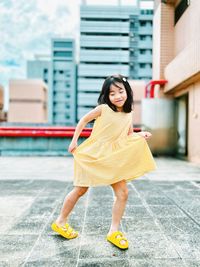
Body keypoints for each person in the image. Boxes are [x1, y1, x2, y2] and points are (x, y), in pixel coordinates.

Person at [51, 74, 156, 249]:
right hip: (94, 155)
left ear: (127, 92)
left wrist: (140, 134)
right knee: (80, 190)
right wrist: (74, 141)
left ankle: (113, 231)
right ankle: (61, 221)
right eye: (112, 93)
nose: (117, 96)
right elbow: (84, 120)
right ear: (106, 96)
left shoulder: (129, 112)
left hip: (112, 158)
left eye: (120, 91)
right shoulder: (103, 109)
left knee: (123, 193)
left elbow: (128, 135)